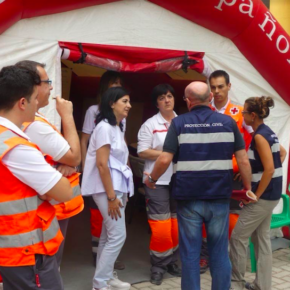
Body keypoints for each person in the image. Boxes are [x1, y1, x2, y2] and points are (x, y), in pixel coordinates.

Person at [144, 81, 252, 290]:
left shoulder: (179, 123)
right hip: (219, 198)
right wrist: (247, 187)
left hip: (189, 199)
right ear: (210, 96)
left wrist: (152, 179)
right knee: (219, 253)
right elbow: (244, 160)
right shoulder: (228, 123)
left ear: (187, 100)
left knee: (190, 255)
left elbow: (165, 159)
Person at [0, 65, 73, 290]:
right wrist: (53, 178)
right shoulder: (17, 147)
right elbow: (64, 191)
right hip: (28, 252)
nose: (37, 103)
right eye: (34, 98)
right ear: (22, 102)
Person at [16, 60, 83, 268]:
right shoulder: (33, 124)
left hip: (53, 206)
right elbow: (74, 157)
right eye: (48, 82)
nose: (52, 87)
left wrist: (66, 163)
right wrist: (68, 116)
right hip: (52, 207)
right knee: (48, 268)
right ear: (34, 86)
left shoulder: (32, 118)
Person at [198, 70, 254, 274]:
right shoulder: (204, 112)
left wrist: (248, 166)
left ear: (229, 86)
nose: (217, 91)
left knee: (232, 220)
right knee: (207, 218)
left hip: (233, 176)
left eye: (221, 86)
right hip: (209, 175)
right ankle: (206, 257)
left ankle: (230, 260)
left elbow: (260, 139)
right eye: (213, 87)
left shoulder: (241, 113)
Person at [230, 96, 287, 290]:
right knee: (260, 239)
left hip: (263, 197)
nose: (243, 114)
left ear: (252, 115)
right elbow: (282, 153)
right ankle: (262, 285)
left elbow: (270, 169)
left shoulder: (259, 137)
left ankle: (236, 283)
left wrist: (255, 193)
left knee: (238, 237)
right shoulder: (268, 133)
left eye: (244, 112)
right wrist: (254, 173)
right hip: (272, 195)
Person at [81, 87, 133, 290]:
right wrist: (112, 197)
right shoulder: (103, 127)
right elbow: (102, 164)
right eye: (125, 101)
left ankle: (108, 277)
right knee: (118, 235)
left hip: (116, 188)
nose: (129, 105)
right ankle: (100, 283)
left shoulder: (117, 127)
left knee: (108, 235)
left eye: (129, 101)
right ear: (112, 103)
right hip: (107, 190)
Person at [137, 84, 181, 285]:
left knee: (175, 224)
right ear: (157, 102)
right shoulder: (149, 124)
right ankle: (158, 266)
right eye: (162, 97)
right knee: (161, 226)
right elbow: (143, 151)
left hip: (180, 179)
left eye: (170, 96)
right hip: (156, 181)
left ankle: (172, 261)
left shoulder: (182, 121)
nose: (167, 100)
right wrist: (168, 154)